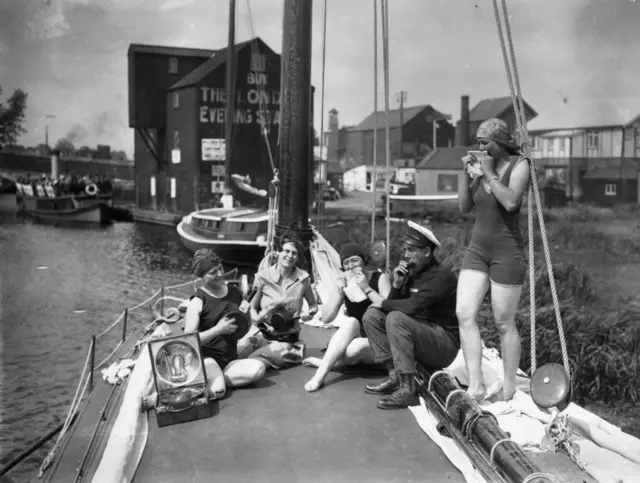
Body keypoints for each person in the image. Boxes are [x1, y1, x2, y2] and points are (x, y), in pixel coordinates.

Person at [456, 118, 530, 402]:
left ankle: (509, 388)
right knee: (465, 313)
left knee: (503, 323)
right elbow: (464, 208)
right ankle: (475, 385)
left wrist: (488, 174)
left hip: (507, 253)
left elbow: (511, 202)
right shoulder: (481, 168)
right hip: (478, 250)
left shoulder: (518, 164)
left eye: (485, 143)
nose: (480, 148)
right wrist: (466, 175)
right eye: (477, 143)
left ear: (499, 143)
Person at [361, 221, 460, 410]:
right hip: (420, 334)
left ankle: (408, 389)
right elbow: (394, 306)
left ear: (427, 252)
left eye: (412, 250)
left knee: (396, 318)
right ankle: (395, 376)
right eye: (405, 250)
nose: (406, 255)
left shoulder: (442, 277)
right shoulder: (411, 273)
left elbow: (412, 307)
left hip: (443, 344)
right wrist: (397, 285)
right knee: (372, 315)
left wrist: (382, 301)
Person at [303, 242, 391, 392]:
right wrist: (339, 293)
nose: (350, 266)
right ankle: (320, 375)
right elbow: (326, 319)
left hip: (382, 339)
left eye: (355, 260)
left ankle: (326, 362)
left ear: (364, 261)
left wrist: (365, 287)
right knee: (350, 321)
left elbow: (390, 310)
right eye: (346, 262)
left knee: (352, 350)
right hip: (359, 335)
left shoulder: (379, 278)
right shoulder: (346, 285)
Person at [184, 249, 266, 389]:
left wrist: (246, 317)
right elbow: (188, 341)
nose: (220, 274)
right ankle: (213, 380)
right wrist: (218, 330)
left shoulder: (234, 291)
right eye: (213, 272)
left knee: (258, 368)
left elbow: (242, 328)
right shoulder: (197, 301)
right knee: (218, 391)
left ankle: (217, 378)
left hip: (230, 359)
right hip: (207, 359)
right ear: (202, 276)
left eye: (220, 268)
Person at [238, 232, 319, 369]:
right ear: (277, 252)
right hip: (262, 335)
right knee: (239, 349)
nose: (290, 256)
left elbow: (313, 305)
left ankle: (248, 365)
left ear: (298, 257)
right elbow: (252, 308)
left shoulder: (304, 279)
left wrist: (310, 313)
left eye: (294, 253)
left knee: (259, 360)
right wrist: (259, 316)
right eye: (286, 251)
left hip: (288, 342)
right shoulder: (263, 277)